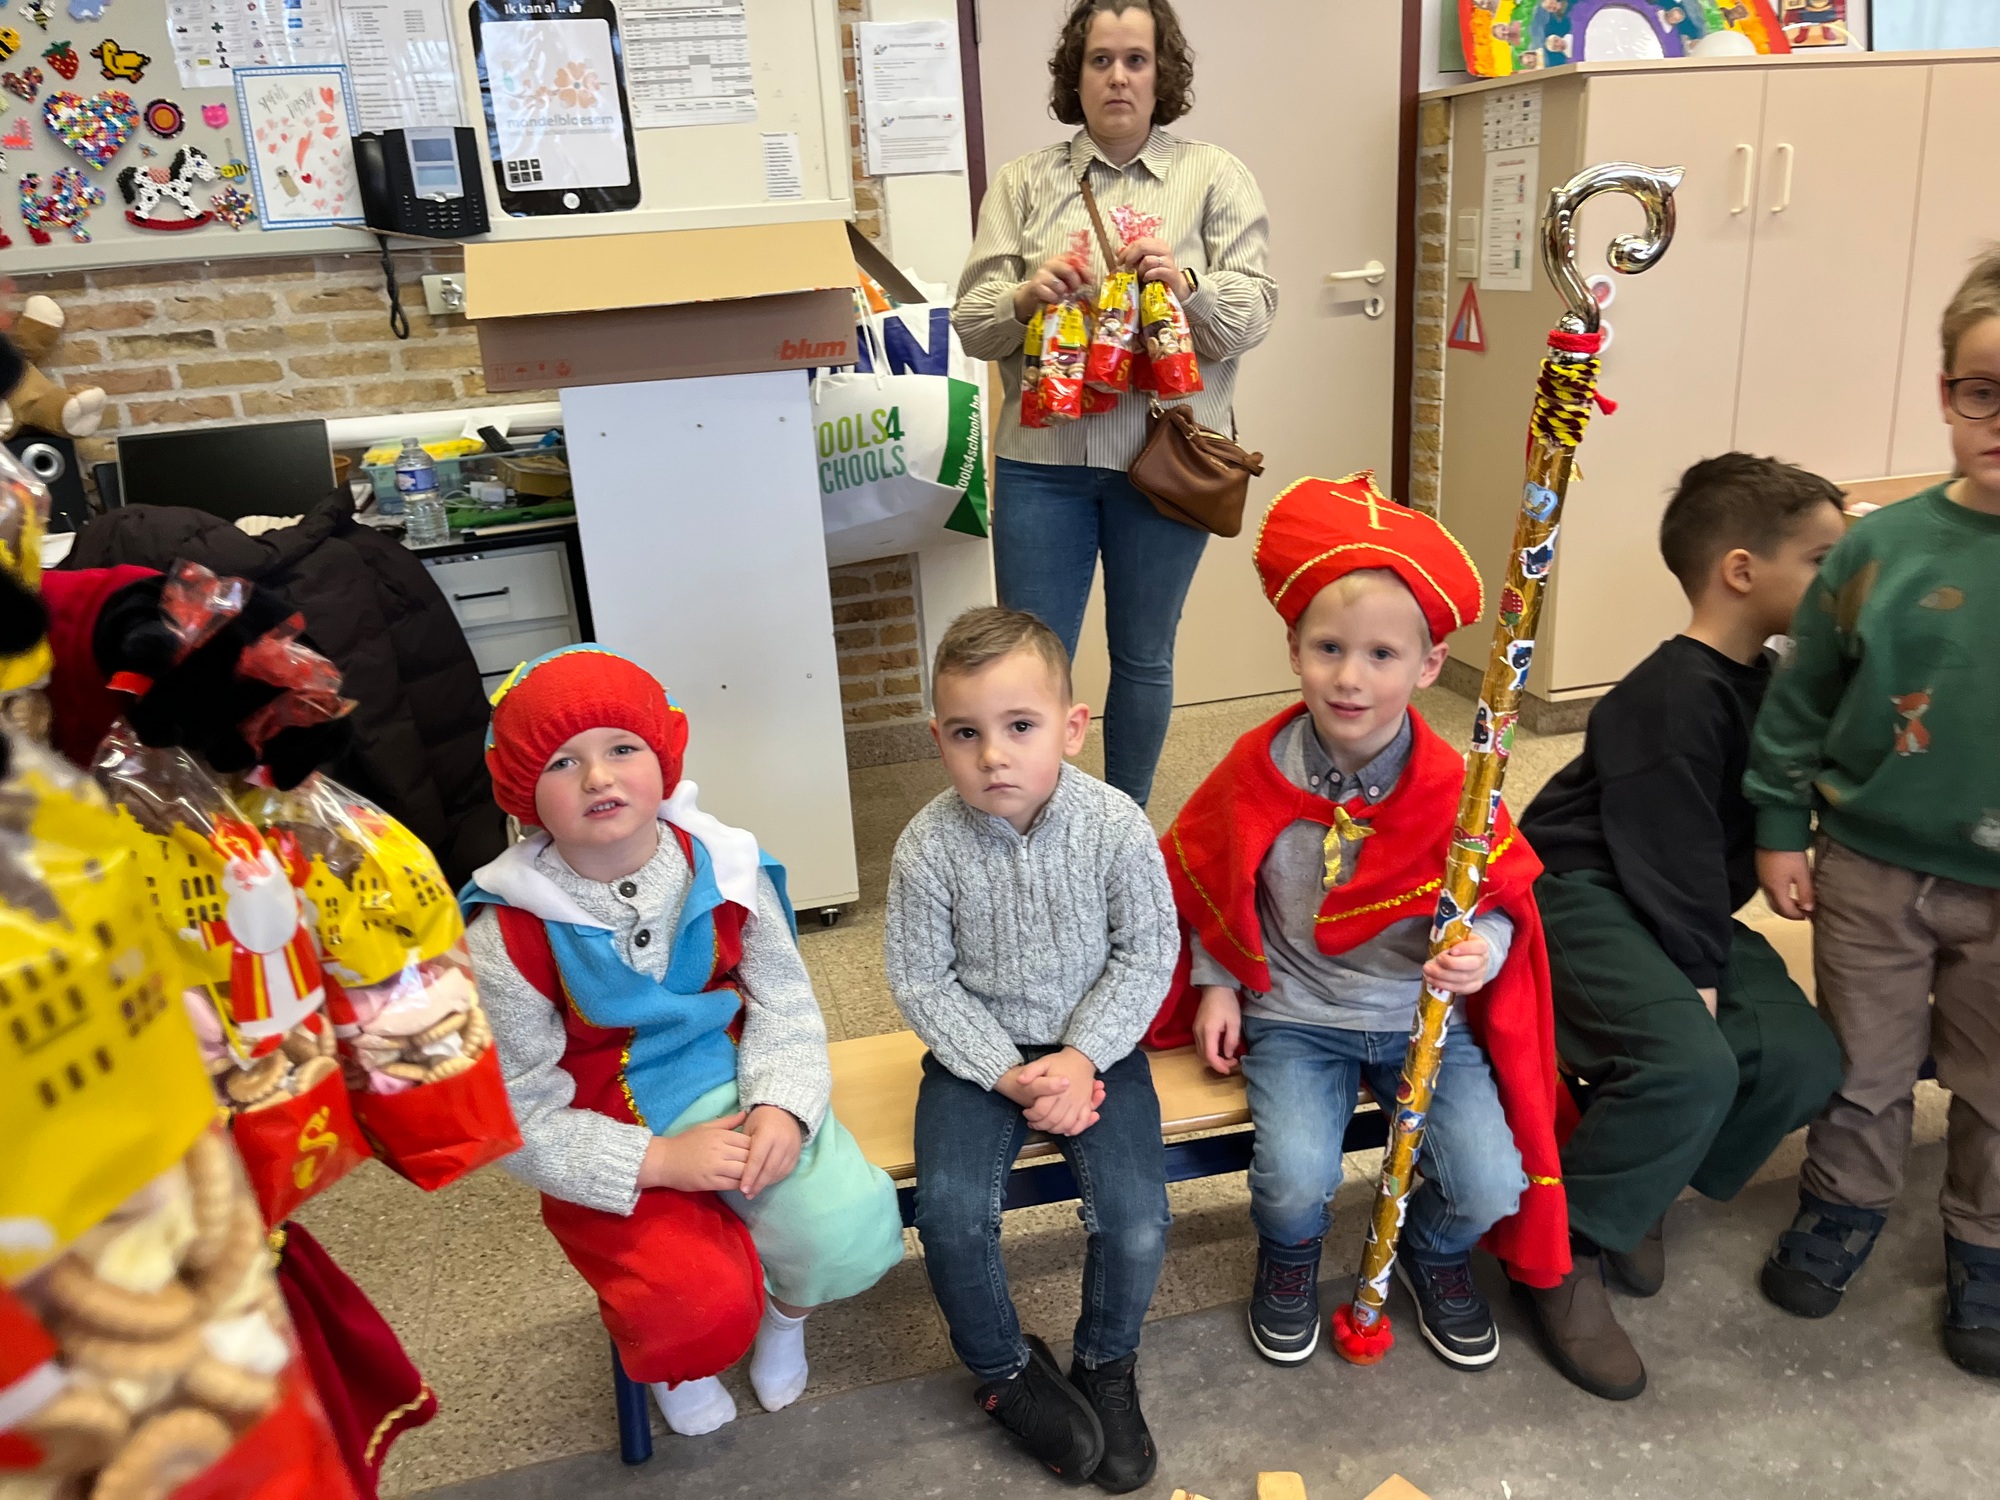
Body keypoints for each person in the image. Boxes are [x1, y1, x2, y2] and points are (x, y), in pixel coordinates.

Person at [1149, 475, 1569, 1375]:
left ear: (1428, 665)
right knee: (1293, 1180)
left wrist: (1482, 951)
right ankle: (1289, 1259)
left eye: (1382, 655)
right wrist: (1216, 981)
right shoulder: (1256, 766)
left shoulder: (1461, 788)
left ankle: (1434, 1251)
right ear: (1294, 649)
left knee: (1491, 1182)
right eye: (1329, 648)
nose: (1350, 677)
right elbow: (1208, 881)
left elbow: (1501, 900)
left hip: (1423, 1020)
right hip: (1297, 1017)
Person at [461, 647, 903, 1437]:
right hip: (611, 1130)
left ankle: (785, 1317)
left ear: (663, 759)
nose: (599, 777)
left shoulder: (727, 867)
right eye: (563, 761)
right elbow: (514, 1114)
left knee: (844, 1230)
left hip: (740, 1090)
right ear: (523, 791)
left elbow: (786, 1007)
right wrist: (658, 1163)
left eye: (621, 748)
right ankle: (687, 1360)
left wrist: (783, 1107)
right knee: (690, 1307)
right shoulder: (506, 933)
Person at [1518, 454, 1848, 1400]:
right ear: (1741, 570)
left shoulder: (1768, 679)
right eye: (1822, 561)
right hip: (1581, 895)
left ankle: (1643, 1183)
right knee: (1689, 1062)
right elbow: (1665, 848)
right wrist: (1697, 978)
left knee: (1801, 1058)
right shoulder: (1668, 693)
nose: (1839, 580)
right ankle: (1564, 1250)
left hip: (1672, 901)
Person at [1747, 250, 2000, 1378]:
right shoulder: (1877, 549)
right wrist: (1776, 824)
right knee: (1864, 1062)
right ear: (1946, 394)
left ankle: (1984, 1239)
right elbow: (1800, 700)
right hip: (1869, 867)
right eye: (1982, 392)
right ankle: (1844, 1201)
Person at [953, 0, 1277, 809]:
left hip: (1166, 466)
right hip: (1043, 467)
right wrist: (1025, 296)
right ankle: (1040, 821)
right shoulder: (1024, 182)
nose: (1119, 77)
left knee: (1143, 656)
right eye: (1101, 60)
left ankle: (1125, 821)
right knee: (1030, 665)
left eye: (1137, 59)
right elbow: (972, 325)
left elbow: (1252, 318)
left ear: (1163, 73)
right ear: (1077, 75)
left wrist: (1188, 286)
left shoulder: (1215, 176)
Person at [885, 607, 1179, 1492]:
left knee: (1135, 1216)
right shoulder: (927, 845)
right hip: (977, 1057)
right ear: (938, 739)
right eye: (965, 734)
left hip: (1099, 1049)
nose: (993, 756)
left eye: (1020, 727)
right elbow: (921, 982)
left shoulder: (1115, 824)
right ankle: (1004, 1372)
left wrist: (1084, 1056)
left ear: (1072, 728)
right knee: (948, 1215)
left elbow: (1148, 952)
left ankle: (1106, 1362)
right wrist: (1005, 1073)